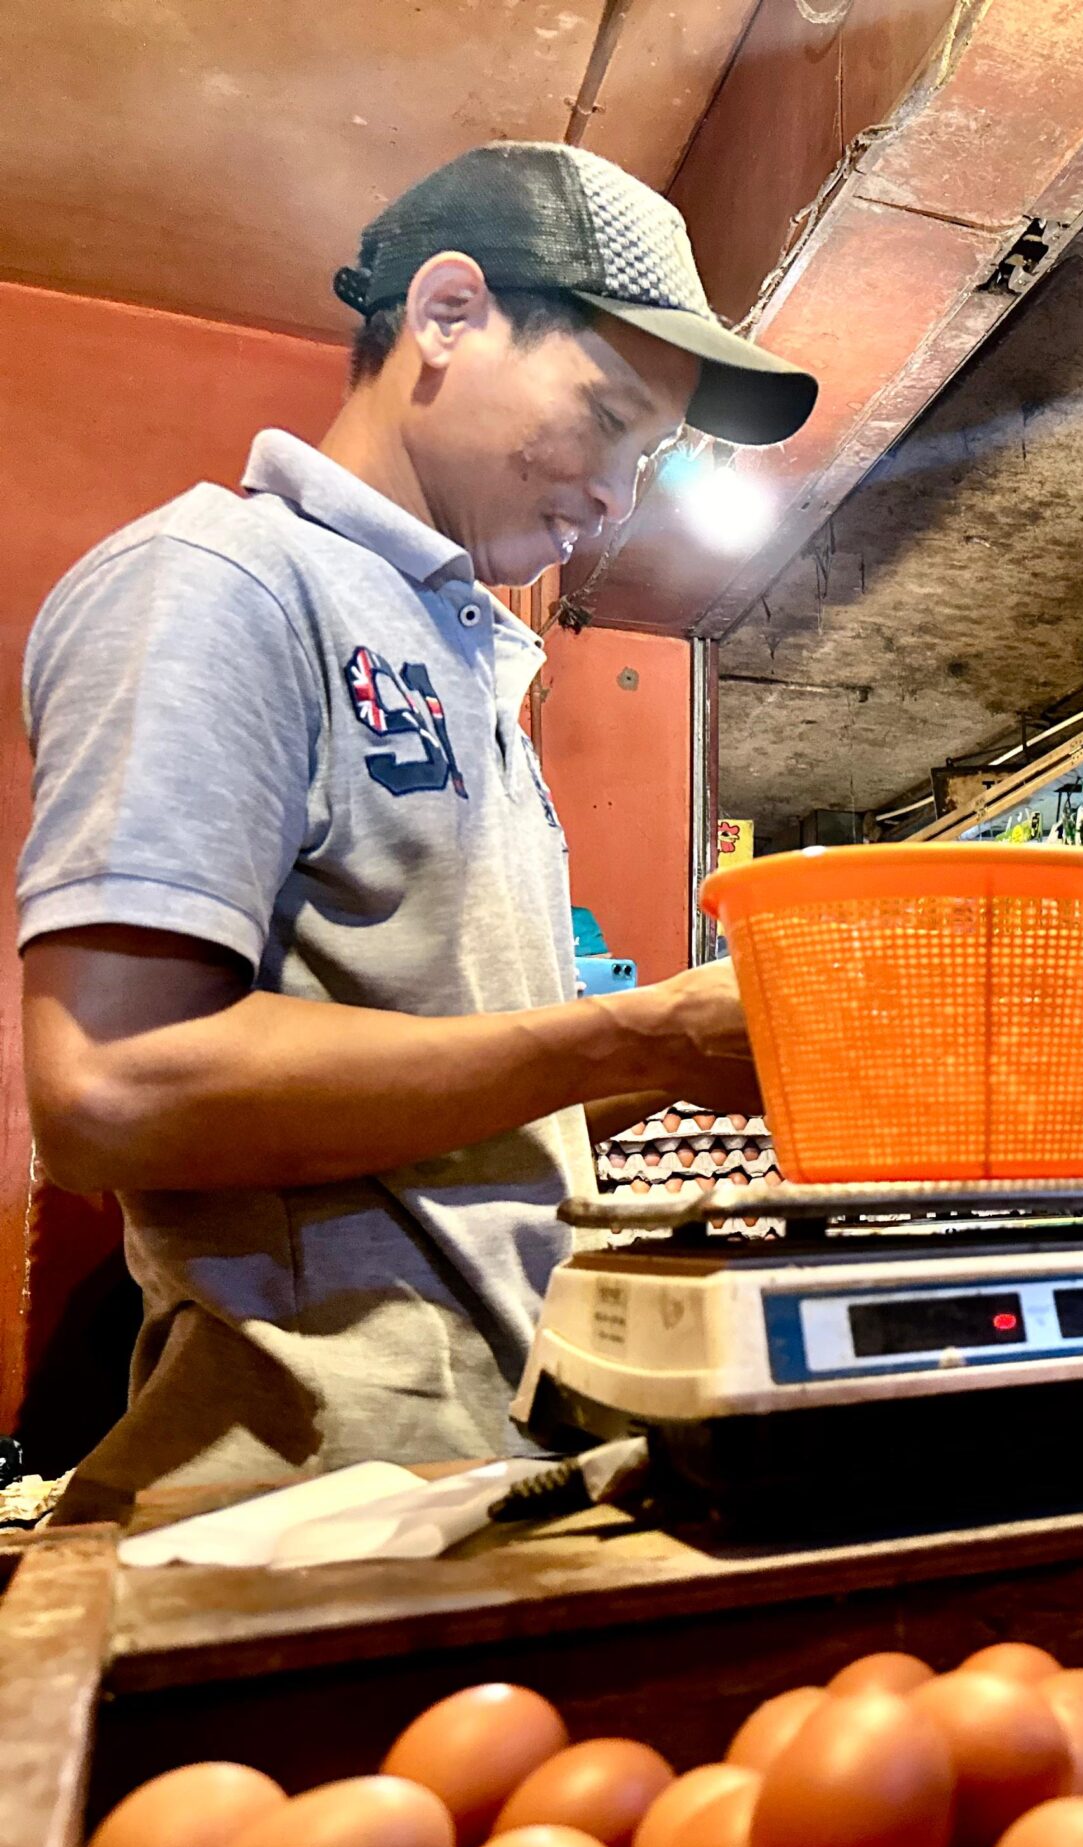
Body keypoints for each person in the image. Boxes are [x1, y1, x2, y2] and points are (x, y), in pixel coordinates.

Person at [16, 142, 819, 1519]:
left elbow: (450, 1121)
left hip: (480, 1467)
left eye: (647, 458)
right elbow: (110, 1088)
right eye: (608, 420)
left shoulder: (467, 660)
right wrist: (637, 1034)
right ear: (448, 315)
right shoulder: (221, 583)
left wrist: (696, 1056)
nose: (615, 499)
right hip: (308, 1497)